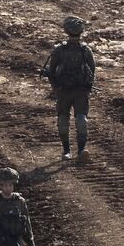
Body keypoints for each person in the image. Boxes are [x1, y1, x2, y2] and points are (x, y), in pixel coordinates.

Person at [41, 16, 96, 160]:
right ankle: (68, 150)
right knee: (65, 122)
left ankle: (79, 151)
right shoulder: (64, 51)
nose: (74, 38)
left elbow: (91, 73)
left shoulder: (83, 51)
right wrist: (57, 89)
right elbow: (52, 73)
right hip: (66, 91)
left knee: (79, 121)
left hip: (77, 91)